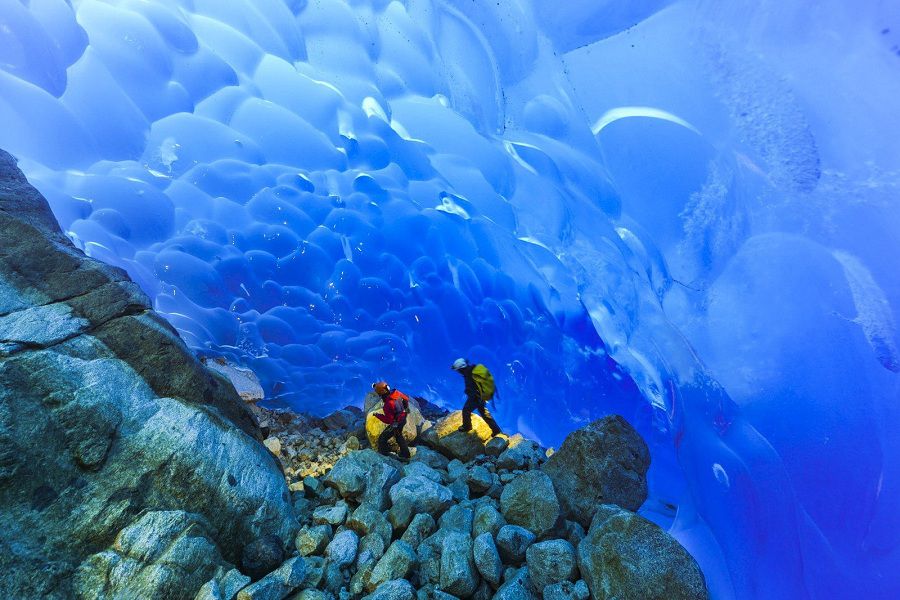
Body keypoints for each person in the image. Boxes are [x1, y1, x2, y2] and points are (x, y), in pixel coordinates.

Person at [450, 358, 503, 436]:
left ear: (461, 368)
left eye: (458, 370)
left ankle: (467, 427)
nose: (458, 372)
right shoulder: (473, 370)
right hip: (481, 396)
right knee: (484, 413)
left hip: (475, 397)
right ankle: (496, 430)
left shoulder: (468, 373)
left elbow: (472, 387)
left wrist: (469, 394)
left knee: (466, 410)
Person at [372, 381, 411, 459]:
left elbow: (388, 420)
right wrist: (405, 408)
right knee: (398, 436)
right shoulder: (396, 392)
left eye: (378, 392)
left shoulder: (388, 404)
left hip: (396, 423)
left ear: (381, 393)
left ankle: (384, 457)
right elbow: (406, 398)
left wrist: (377, 415)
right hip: (403, 418)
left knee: (382, 439)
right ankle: (406, 455)